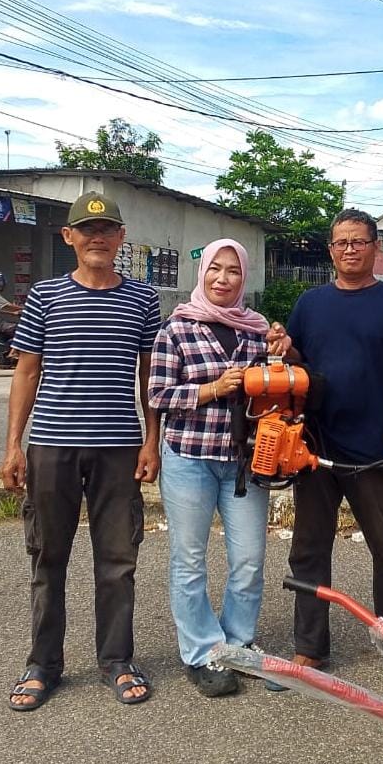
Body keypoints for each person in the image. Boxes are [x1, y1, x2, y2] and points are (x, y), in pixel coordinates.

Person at [1, 191, 161, 711]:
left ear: (120, 239)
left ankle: (117, 659)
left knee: (118, 560)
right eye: (87, 230)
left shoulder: (143, 299)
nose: (98, 238)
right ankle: (43, 664)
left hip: (118, 448)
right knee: (49, 557)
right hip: (52, 445)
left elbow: (148, 378)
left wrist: (151, 440)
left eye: (108, 230)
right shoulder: (45, 296)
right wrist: (14, 447)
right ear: (68, 237)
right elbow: (26, 372)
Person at [273, 208, 383, 687]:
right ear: (330, 249)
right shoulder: (310, 302)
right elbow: (299, 359)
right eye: (341, 243)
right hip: (315, 448)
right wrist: (285, 346)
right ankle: (309, 650)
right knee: (308, 549)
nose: (349, 250)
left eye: (358, 242)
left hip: (375, 451)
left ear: (375, 247)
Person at [148, 239, 290, 697]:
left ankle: (238, 643)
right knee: (189, 561)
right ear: (203, 272)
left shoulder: (256, 332)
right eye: (215, 269)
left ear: (243, 278)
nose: (223, 279)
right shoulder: (177, 329)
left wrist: (282, 353)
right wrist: (210, 389)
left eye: (232, 271)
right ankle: (201, 651)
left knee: (249, 560)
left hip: (245, 463)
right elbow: (158, 395)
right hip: (189, 458)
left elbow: (274, 390)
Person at [0, 271, 22, 339]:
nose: (2, 285)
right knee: (21, 330)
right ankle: (15, 348)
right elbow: (7, 306)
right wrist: (25, 308)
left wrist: (13, 312)